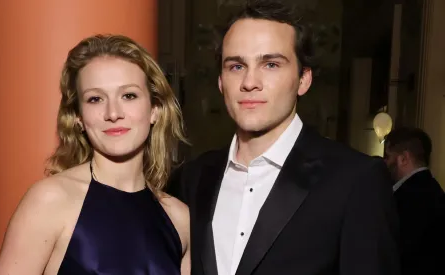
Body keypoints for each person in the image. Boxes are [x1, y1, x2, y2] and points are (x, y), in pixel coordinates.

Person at [167, 0, 400, 274]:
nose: (250, 82)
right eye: (236, 66)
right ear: (220, 81)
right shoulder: (192, 179)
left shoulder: (356, 181)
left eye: (271, 65)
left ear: (304, 80)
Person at [0, 34, 190, 274]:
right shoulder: (51, 200)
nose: (113, 113)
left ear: (155, 110)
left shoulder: (179, 218)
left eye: (129, 95)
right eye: (95, 99)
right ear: (78, 118)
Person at [384, 127, 445, 275]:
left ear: (404, 158)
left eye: (387, 156)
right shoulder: (434, 190)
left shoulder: (408, 198)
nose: (385, 162)